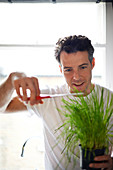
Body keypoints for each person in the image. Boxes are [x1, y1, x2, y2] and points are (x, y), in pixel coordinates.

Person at [0, 35, 113, 169]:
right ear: (61, 69)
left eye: (82, 67)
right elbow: (3, 107)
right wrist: (13, 78)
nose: (76, 77)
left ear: (92, 64)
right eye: (68, 70)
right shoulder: (47, 98)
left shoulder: (109, 99)